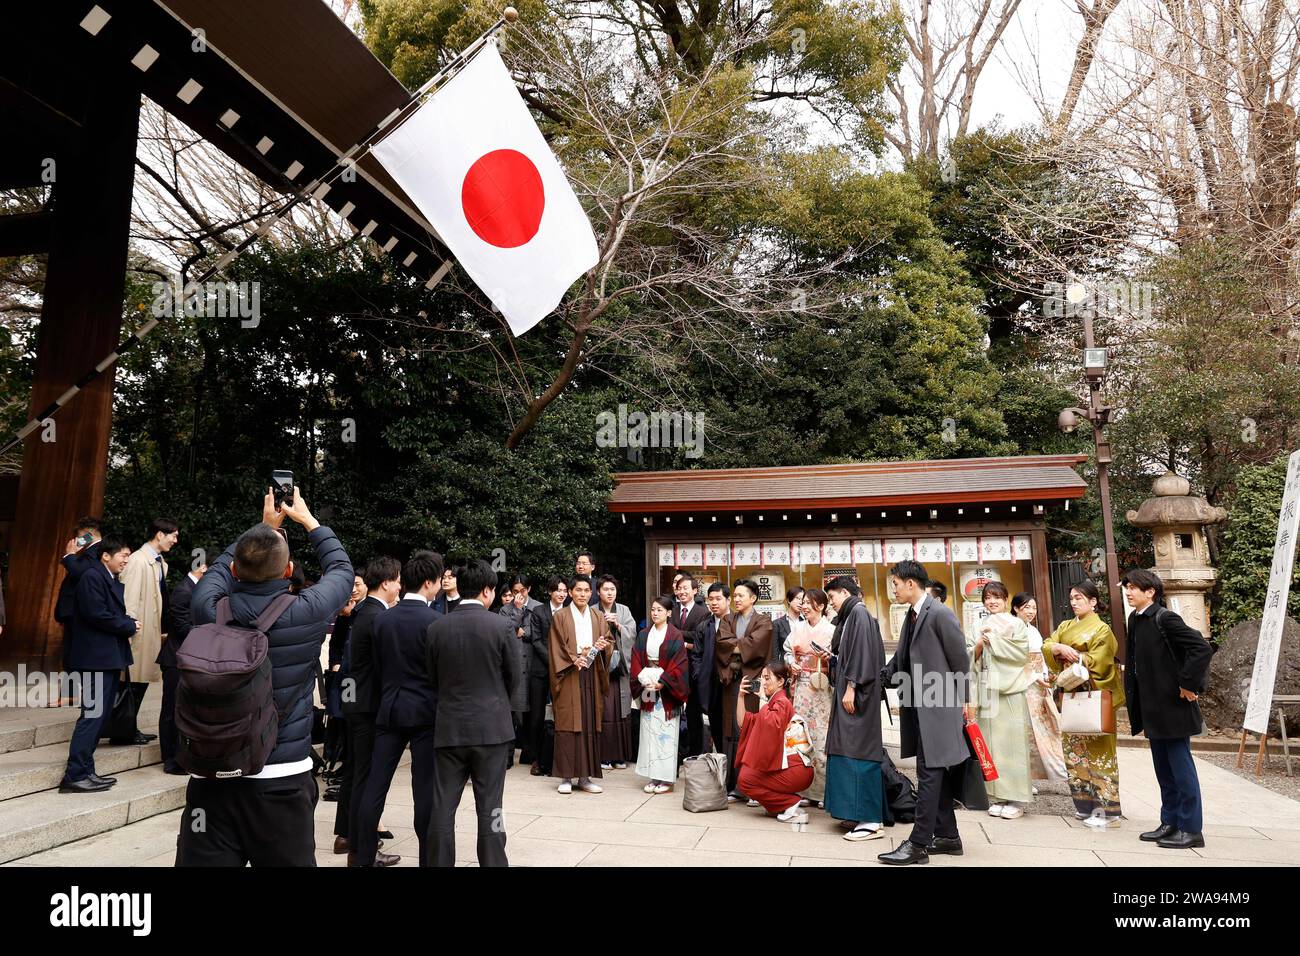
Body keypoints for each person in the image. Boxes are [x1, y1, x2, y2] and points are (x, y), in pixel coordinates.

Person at [177, 486, 353, 866]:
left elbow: (221, 569)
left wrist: (261, 527)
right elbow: (341, 570)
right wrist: (307, 520)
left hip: (213, 777)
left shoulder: (208, 607)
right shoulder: (305, 613)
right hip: (282, 778)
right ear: (289, 571)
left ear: (236, 570)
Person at [427, 559, 522, 867]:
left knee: (443, 805)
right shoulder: (502, 625)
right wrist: (496, 702)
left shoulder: (437, 627)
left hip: (449, 726)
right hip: (491, 728)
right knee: (491, 806)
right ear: (486, 591)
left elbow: (433, 678)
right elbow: (513, 676)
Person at [878, 560, 972, 866]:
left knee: (929, 774)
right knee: (936, 774)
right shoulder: (912, 614)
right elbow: (902, 658)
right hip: (918, 707)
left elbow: (961, 661)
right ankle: (948, 837)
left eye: (895, 583)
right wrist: (879, 676)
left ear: (910, 583)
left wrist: (965, 701)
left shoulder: (940, 613)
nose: (892, 588)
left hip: (940, 707)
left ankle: (918, 844)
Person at [354, 550, 444, 867]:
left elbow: (378, 668)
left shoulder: (383, 620)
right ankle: (427, 860)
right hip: (426, 714)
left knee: (374, 787)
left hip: (389, 709)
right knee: (425, 793)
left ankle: (362, 855)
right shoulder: (436, 623)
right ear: (430, 583)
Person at [1122, 568, 1214, 850]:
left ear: (1150, 591)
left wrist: (1188, 684)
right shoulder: (1135, 619)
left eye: (1133, 587)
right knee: (1164, 770)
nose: (1128, 591)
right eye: (1127, 586)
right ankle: (1170, 822)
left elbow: (1201, 648)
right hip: (1153, 707)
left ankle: (1191, 829)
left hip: (1173, 706)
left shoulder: (1165, 618)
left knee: (1181, 769)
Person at [1042, 579, 1125, 828]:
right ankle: (1084, 804)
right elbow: (1047, 644)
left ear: (1093, 602)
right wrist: (1057, 647)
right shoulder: (1066, 625)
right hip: (1071, 695)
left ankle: (1109, 811)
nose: (1074, 602)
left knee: (1100, 752)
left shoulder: (1102, 630)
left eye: (1079, 598)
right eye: (1072, 598)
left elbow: (1102, 660)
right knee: (1074, 750)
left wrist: (1074, 654)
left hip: (1094, 695)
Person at [59, 537, 138, 793]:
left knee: (99, 716)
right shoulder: (93, 577)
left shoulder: (108, 577)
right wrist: (127, 625)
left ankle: (86, 770)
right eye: (123, 555)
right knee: (92, 716)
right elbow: (97, 614)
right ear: (106, 556)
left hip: (107, 657)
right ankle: (75, 774)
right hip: (96, 658)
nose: (126, 560)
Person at [336, 556, 401, 865]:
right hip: (368, 708)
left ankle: (354, 844)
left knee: (359, 775)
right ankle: (362, 850)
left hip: (358, 705)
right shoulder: (377, 616)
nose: (400, 586)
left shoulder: (367, 612)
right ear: (386, 582)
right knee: (366, 779)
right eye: (398, 580)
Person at [823, 577, 887, 841]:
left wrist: (851, 686)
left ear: (845, 592)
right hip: (852, 692)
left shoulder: (858, 612)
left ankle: (871, 820)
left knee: (859, 752)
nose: (832, 604)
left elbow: (862, 655)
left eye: (832, 597)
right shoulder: (853, 615)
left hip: (858, 695)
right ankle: (856, 811)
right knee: (846, 750)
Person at [969, 581, 1033, 818]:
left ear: (1006, 600)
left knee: (1012, 745)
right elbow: (968, 654)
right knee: (991, 745)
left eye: (997, 597)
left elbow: (1020, 654)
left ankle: (1016, 799)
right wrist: (978, 644)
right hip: (986, 689)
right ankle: (996, 795)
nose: (991, 601)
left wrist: (994, 641)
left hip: (1010, 689)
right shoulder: (977, 624)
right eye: (987, 597)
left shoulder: (1017, 624)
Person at [548, 574, 612, 794]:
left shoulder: (598, 615)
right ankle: (566, 777)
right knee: (568, 723)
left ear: (591, 593)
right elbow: (555, 646)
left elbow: (609, 640)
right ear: (570, 593)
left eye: (586, 590)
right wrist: (574, 658)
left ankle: (585, 777)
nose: (583, 594)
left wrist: (602, 646)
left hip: (592, 674)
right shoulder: (561, 616)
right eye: (578, 590)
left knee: (588, 721)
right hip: (569, 675)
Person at [735, 662, 813, 823]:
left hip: (796, 768)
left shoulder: (782, 702)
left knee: (746, 779)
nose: (763, 683)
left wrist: (763, 698)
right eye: (762, 678)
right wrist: (741, 696)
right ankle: (785, 804)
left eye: (767, 678)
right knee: (745, 777)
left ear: (780, 682)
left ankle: (789, 803)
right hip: (792, 767)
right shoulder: (773, 704)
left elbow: (771, 724)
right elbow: (745, 723)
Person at [716, 578, 773, 797]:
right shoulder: (727, 619)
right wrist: (741, 645)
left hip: (752, 682)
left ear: (753, 598)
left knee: (749, 729)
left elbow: (757, 646)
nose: (736, 599)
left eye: (741, 595)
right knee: (730, 729)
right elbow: (722, 644)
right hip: (732, 681)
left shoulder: (764, 621)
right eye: (735, 595)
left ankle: (750, 785)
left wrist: (735, 646)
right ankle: (733, 784)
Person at [630, 594, 689, 793]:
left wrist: (663, 682)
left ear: (669, 613)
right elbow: (637, 657)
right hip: (647, 684)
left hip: (666, 690)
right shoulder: (644, 634)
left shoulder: (675, 635)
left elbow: (679, 664)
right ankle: (654, 776)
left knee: (665, 733)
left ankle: (667, 779)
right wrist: (643, 679)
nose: (655, 613)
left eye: (660, 610)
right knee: (649, 732)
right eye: (653, 610)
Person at [783, 587, 834, 805]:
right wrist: (791, 663)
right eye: (802, 602)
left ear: (821, 606)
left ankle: (822, 792)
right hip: (802, 688)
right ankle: (803, 789)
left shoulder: (831, 630)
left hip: (821, 689)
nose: (803, 606)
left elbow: (838, 658)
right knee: (801, 737)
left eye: (808, 602)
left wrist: (828, 659)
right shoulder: (797, 627)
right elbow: (786, 651)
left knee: (821, 739)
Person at [157, 561, 207, 775]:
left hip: (188, 659)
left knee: (185, 710)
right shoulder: (183, 590)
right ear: (204, 568)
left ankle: (182, 755)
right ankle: (170, 758)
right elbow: (181, 625)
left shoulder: (196, 590)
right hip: (175, 659)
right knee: (171, 710)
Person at [1012, 592, 1066, 784]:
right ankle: (1024, 778)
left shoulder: (1033, 631)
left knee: (1045, 728)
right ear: (1016, 608)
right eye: (1027, 607)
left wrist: (1044, 675)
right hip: (1022, 686)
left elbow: (1040, 658)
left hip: (1038, 686)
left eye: (1034, 608)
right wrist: (1035, 676)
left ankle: (1053, 770)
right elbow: (1014, 660)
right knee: (1025, 731)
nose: (1031, 611)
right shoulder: (1012, 629)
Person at [121, 518, 179, 689]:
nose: (176, 541)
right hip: (136, 634)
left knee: (139, 687)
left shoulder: (161, 563)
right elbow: (129, 600)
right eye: (174, 536)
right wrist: (128, 630)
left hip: (150, 634)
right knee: (128, 690)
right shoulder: (137, 560)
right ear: (160, 534)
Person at [525, 577, 567, 775]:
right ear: (550, 591)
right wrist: (553, 662)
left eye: (564, 590)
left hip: (564, 670)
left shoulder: (569, 612)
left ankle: (556, 755)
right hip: (541, 670)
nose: (561, 594)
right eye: (558, 590)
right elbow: (536, 640)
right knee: (536, 715)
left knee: (561, 713)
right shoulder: (539, 611)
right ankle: (535, 757)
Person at [595, 574, 637, 770]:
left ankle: (620, 756)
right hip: (601, 667)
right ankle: (604, 756)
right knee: (605, 710)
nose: (610, 593)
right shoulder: (592, 610)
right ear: (598, 592)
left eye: (613, 590)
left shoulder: (624, 610)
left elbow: (632, 634)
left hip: (620, 668)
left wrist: (619, 625)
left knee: (622, 711)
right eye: (606, 589)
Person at [499, 575, 539, 768]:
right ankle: (507, 756)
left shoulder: (538, 607)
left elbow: (535, 633)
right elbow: (505, 633)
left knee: (533, 712)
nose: (518, 595)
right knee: (510, 712)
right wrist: (516, 612)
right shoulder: (505, 610)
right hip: (512, 662)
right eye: (515, 592)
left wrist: (522, 631)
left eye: (522, 591)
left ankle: (530, 753)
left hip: (533, 664)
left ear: (529, 589)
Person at [692, 582, 729, 757]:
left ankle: (733, 773)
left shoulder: (736, 623)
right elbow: (696, 655)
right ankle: (721, 766)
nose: (714, 603)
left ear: (728, 600)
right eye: (710, 599)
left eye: (718, 598)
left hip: (731, 684)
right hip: (709, 683)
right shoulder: (704, 626)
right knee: (715, 726)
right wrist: (699, 674)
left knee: (732, 728)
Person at [55, 518, 104, 644]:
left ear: (90, 535)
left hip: (79, 611)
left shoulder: (96, 550)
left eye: (79, 536)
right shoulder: (92, 551)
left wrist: (70, 554)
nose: (77, 540)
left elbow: (79, 572)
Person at [771, 587, 805, 665]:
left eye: (803, 600)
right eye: (797, 598)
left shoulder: (806, 622)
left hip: (804, 666)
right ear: (789, 600)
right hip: (785, 667)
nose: (801, 602)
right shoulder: (777, 624)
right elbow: (774, 653)